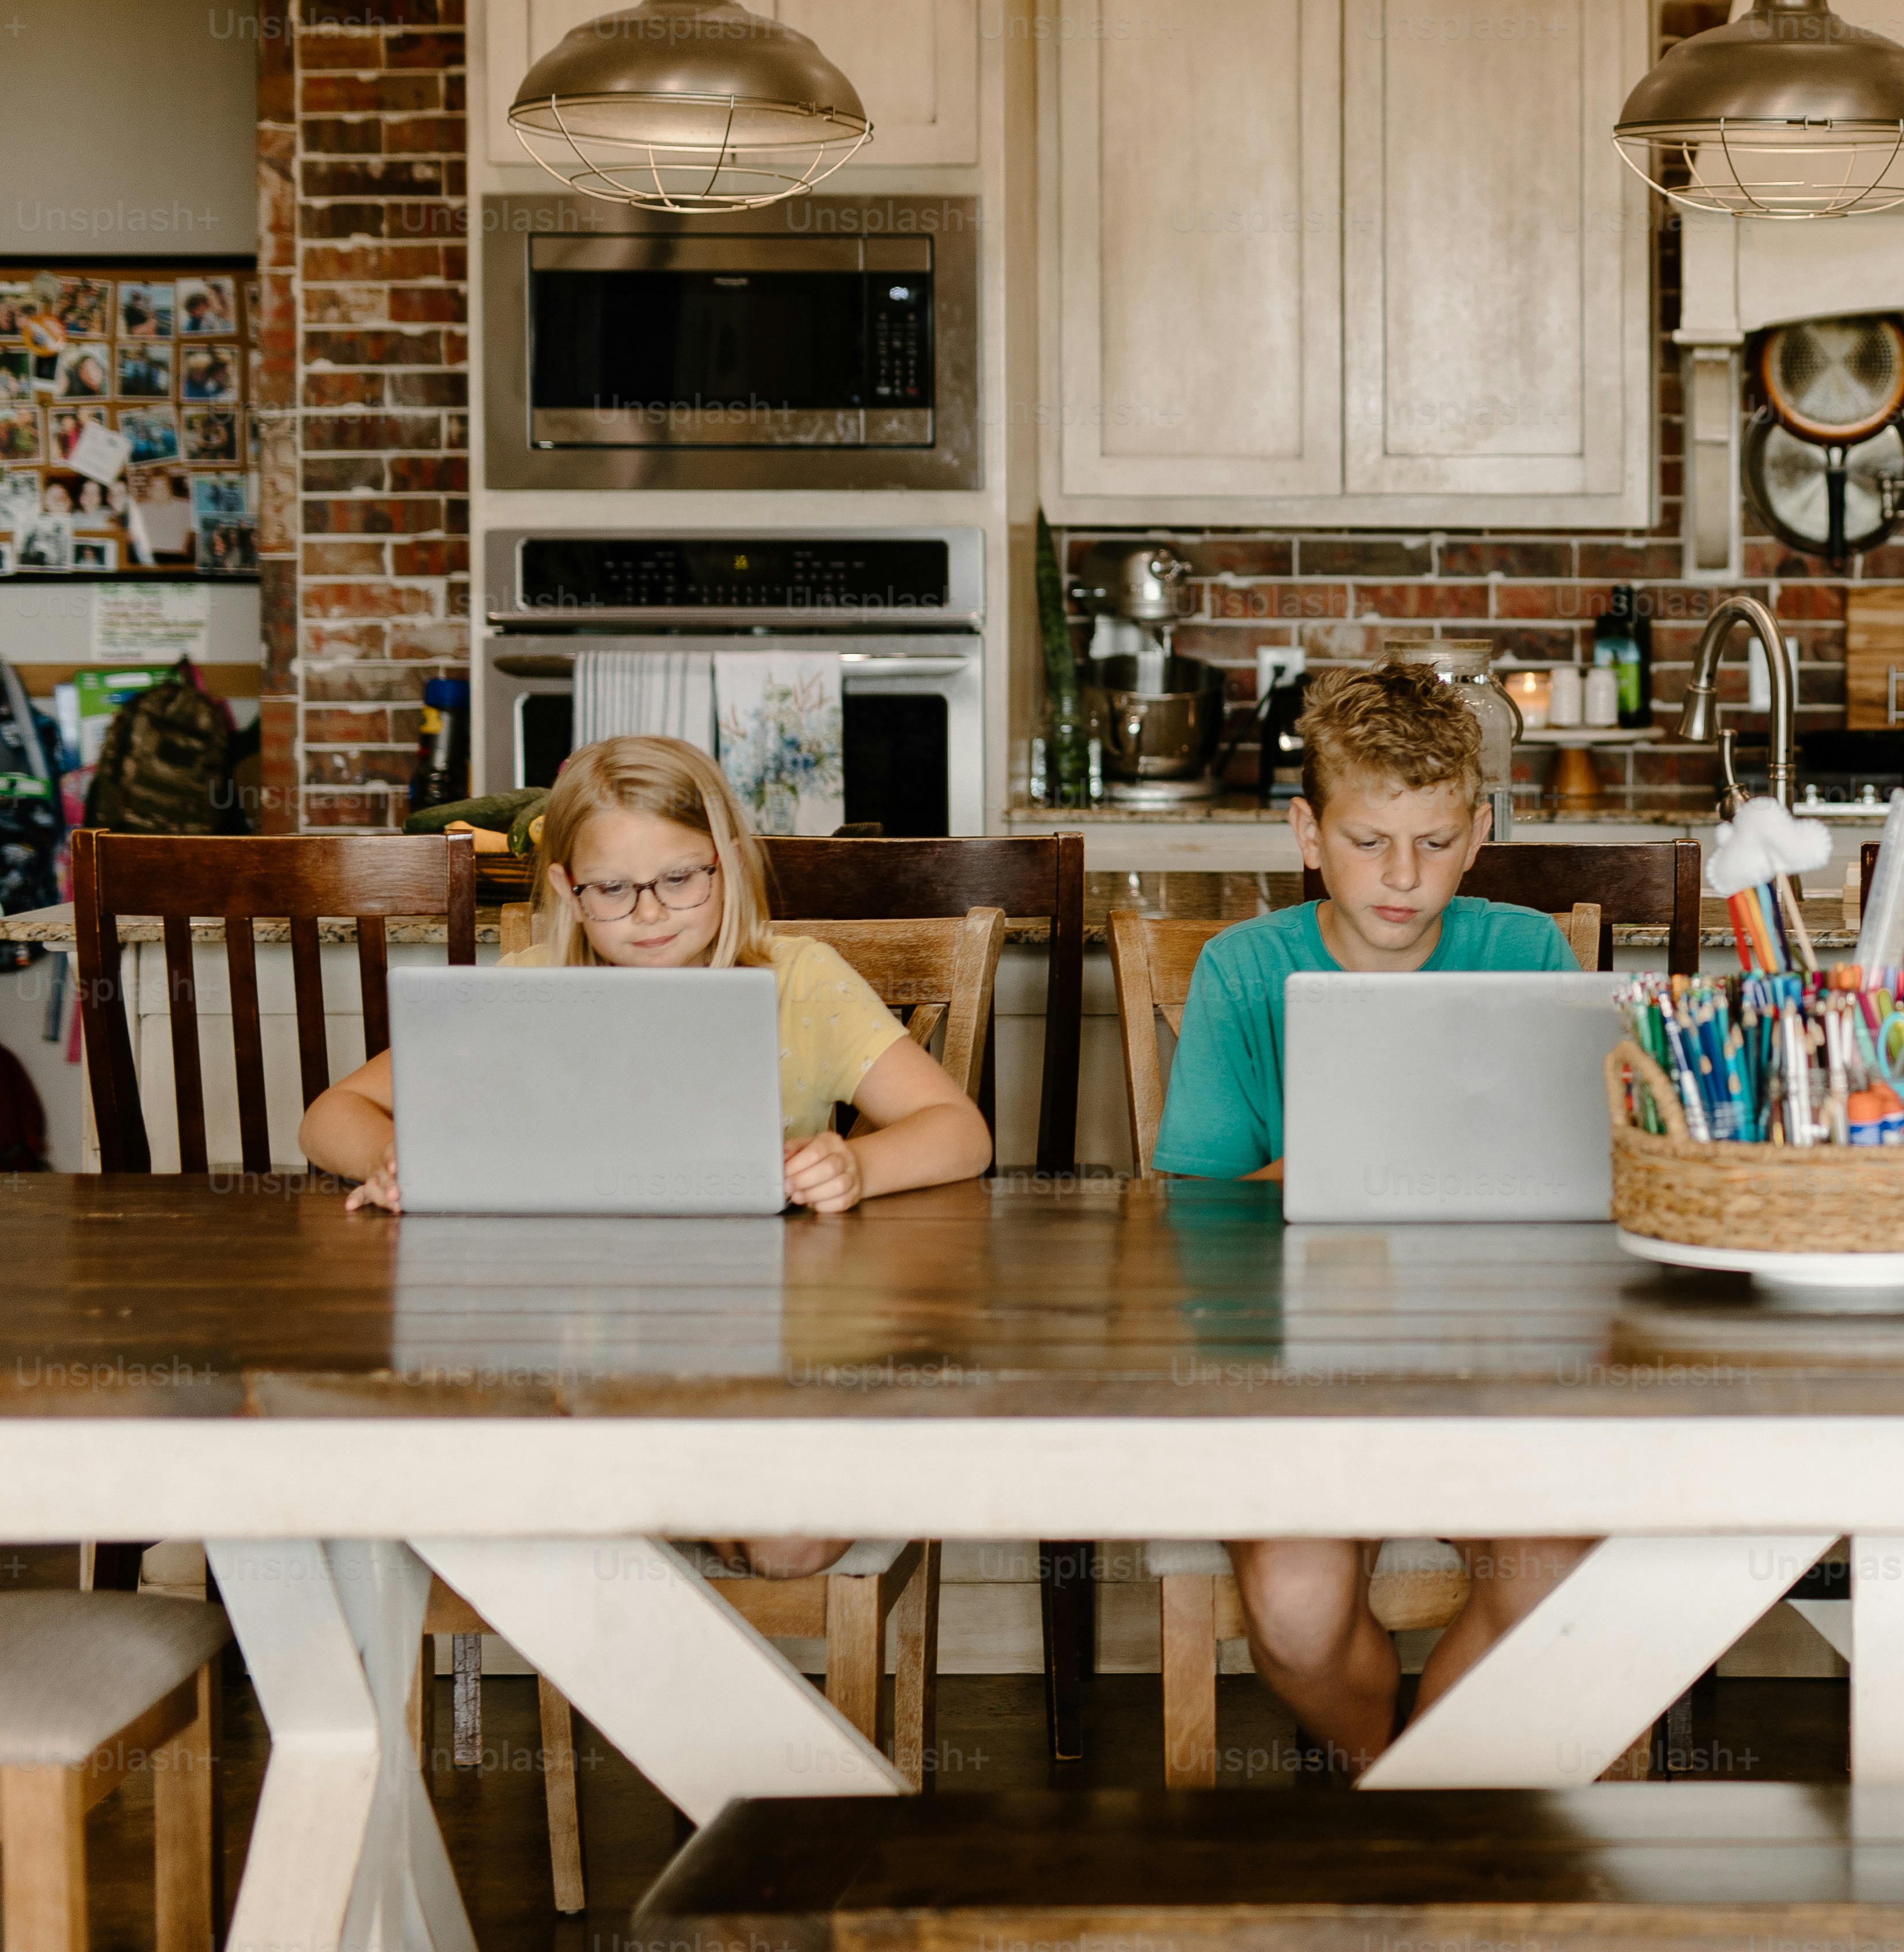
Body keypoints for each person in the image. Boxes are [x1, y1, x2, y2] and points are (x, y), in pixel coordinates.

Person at [299, 734, 992, 1573]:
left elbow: (960, 1131)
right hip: (562, 1370)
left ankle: (649, 1498)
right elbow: (332, 1114)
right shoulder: (524, 994)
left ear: (728, 865)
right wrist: (396, 1154)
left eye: (679, 879)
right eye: (614, 890)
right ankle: (641, 1494)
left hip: (757, 1368)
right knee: (382, 1482)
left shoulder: (800, 981)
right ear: (566, 889)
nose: (651, 913)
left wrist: (858, 1166)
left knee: (793, 1531)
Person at [1148, 661, 1592, 1773]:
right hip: (1289, 1366)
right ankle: (1403, 1782)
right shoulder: (1242, 972)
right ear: (1307, 832)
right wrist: (1331, 1170)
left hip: (1492, 1363)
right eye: (1367, 842)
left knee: (1557, 1576)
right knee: (1295, 1611)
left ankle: (1403, 1805)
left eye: (1437, 843)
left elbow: (1584, 1194)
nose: (1404, 877)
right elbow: (1185, 1220)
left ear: (1480, 831)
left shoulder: (1530, 954)